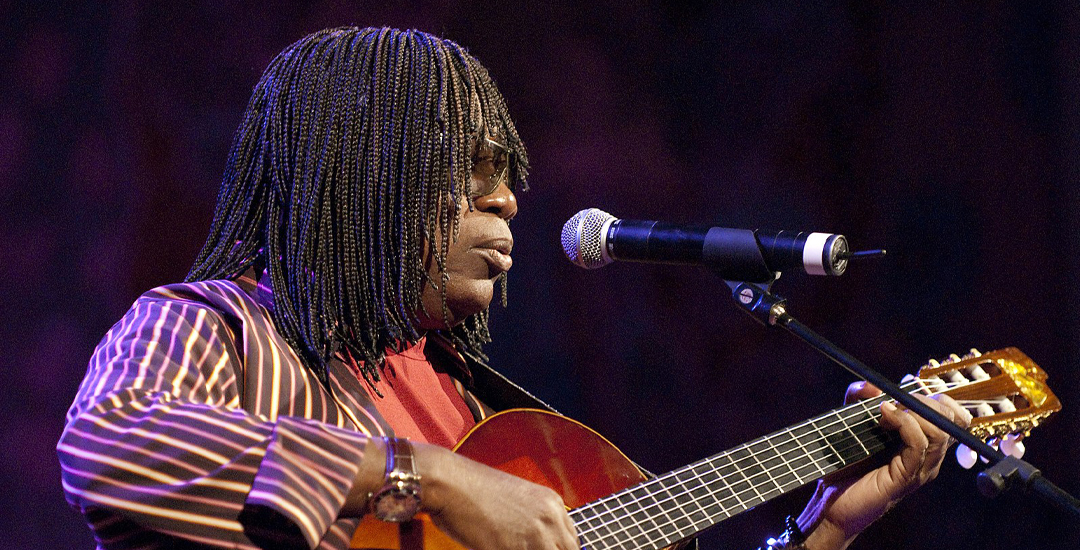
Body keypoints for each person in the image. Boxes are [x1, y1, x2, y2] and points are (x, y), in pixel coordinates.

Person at [57, 27, 970, 550]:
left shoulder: (484, 412)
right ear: (368, 175)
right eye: (471, 171)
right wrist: (432, 479)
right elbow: (109, 449)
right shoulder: (216, 329)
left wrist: (825, 530)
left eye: (509, 175)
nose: (508, 198)